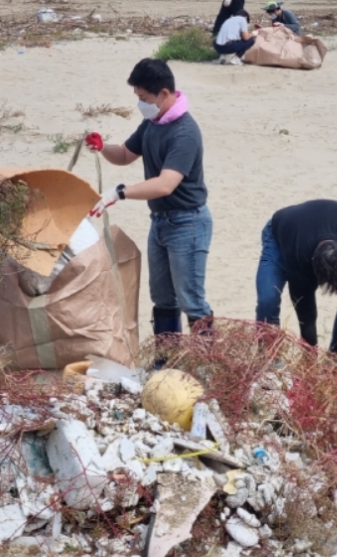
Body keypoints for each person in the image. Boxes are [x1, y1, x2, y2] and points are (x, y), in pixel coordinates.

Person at [86, 58, 214, 345]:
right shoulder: (152, 122)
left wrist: (120, 193)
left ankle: (208, 363)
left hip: (188, 223)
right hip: (160, 223)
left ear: (165, 93)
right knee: (163, 298)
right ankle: (165, 360)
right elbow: (124, 155)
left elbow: (166, 184)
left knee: (191, 299)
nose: (141, 104)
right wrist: (102, 146)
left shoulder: (185, 132)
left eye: (144, 98)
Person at [255, 200, 337, 352]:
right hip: (279, 234)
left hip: (322, 223)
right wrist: (310, 356)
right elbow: (305, 314)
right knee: (268, 299)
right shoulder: (299, 258)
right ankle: (269, 355)